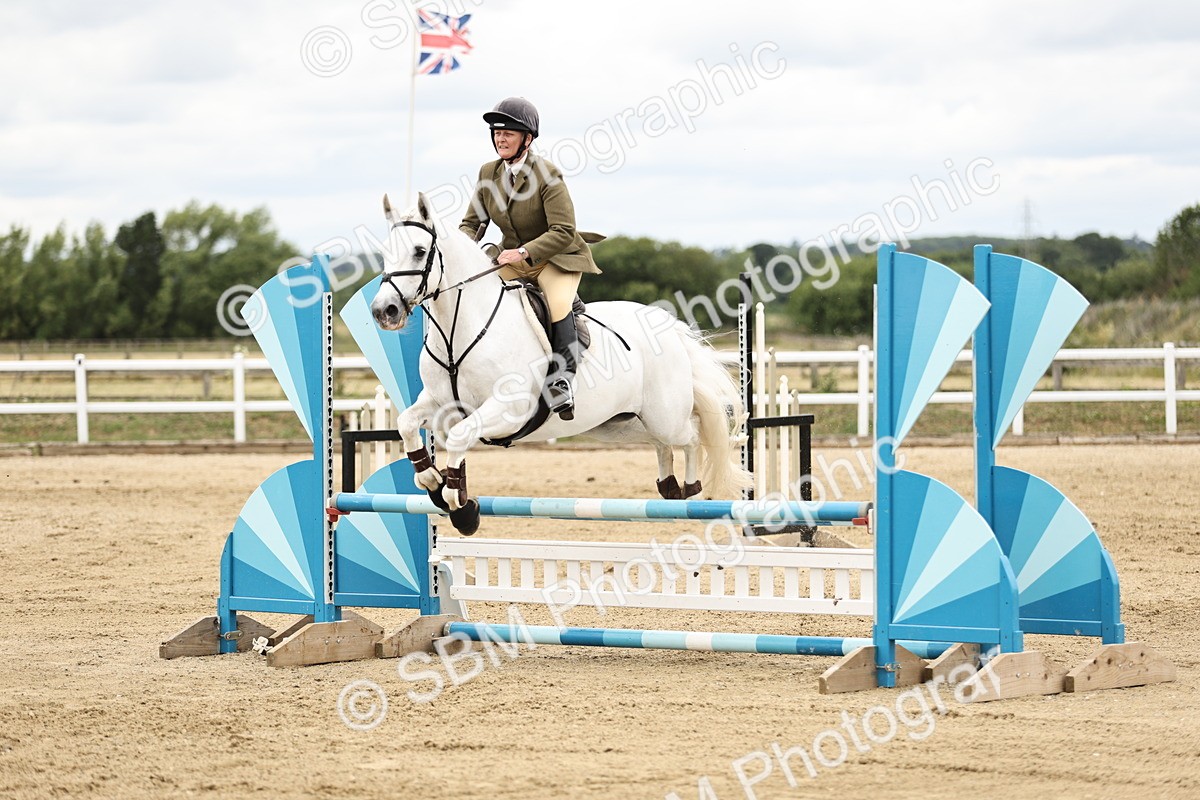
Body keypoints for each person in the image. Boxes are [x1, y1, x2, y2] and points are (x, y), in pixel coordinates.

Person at [459, 97, 600, 421]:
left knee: (557, 304)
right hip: (511, 259)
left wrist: (523, 251)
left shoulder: (547, 174)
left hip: (556, 257)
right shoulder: (488, 173)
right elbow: (471, 223)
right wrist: (461, 250)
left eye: (508, 133)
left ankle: (562, 381)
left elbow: (563, 230)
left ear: (527, 138)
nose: (500, 139)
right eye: (497, 133)